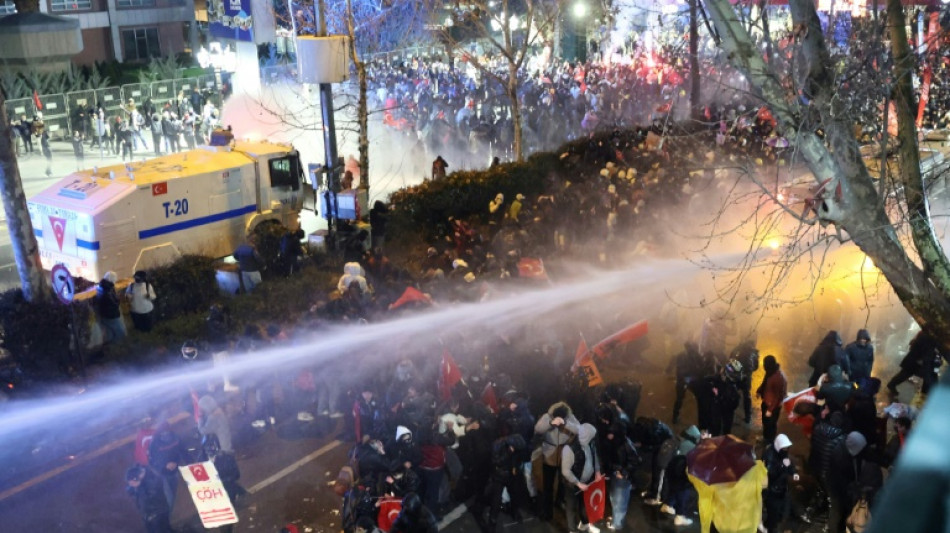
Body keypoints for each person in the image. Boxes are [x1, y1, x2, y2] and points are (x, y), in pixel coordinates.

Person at [534, 401, 581, 521]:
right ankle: (547, 512)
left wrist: (566, 423)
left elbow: (579, 430)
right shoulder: (547, 416)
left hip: (565, 452)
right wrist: (551, 423)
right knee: (548, 484)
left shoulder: (570, 417)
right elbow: (538, 429)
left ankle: (559, 501)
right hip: (549, 453)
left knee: (563, 481)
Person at [561, 422, 602, 533]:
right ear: (587, 436)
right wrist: (578, 483)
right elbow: (565, 471)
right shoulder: (569, 449)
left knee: (585, 505)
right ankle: (572, 530)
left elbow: (594, 456)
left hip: (587, 481)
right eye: (592, 436)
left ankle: (585, 524)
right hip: (572, 484)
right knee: (571, 507)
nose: (594, 438)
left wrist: (597, 471)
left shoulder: (590, 443)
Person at [887, 330, 946, 397]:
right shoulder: (928, 335)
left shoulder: (929, 334)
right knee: (908, 373)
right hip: (918, 360)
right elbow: (926, 349)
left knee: (908, 373)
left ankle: (924, 394)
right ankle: (924, 395)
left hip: (919, 360)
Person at [762, 434, 799, 533]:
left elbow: (787, 463)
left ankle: (771, 523)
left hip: (781, 488)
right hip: (772, 491)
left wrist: (793, 472)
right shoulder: (769, 455)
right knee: (773, 514)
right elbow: (771, 473)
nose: (786, 450)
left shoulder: (781, 452)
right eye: (785, 448)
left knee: (779, 512)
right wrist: (783, 466)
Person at [125, 464, 173, 533]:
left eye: (132, 483)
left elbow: (149, 498)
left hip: (158, 513)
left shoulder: (152, 481)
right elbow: (130, 490)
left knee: (164, 530)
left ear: (136, 478)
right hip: (151, 515)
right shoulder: (141, 481)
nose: (131, 485)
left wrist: (138, 488)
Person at [148, 425, 185, 511]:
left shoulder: (175, 437)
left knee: (183, 492)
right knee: (171, 498)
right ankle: (176, 515)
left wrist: (176, 462)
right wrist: (164, 465)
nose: (165, 435)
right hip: (164, 474)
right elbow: (153, 461)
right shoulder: (154, 443)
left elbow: (182, 451)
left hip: (179, 469)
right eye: (163, 433)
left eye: (167, 432)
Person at [756, 354, 786, 445]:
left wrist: (770, 410)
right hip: (767, 402)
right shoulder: (770, 372)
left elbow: (778, 396)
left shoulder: (777, 378)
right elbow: (765, 383)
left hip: (772, 406)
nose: (764, 366)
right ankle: (766, 438)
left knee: (770, 425)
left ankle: (769, 442)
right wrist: (759, 390)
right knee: (766, 423)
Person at [96, 271, 127, 342]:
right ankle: (117, 345)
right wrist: (119, 299)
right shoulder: (107, 290)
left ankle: (111, 345)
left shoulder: (103, 287)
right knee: (120, 332)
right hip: (111, 316)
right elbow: (114, 303)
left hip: (105, 315)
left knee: (110, 332)